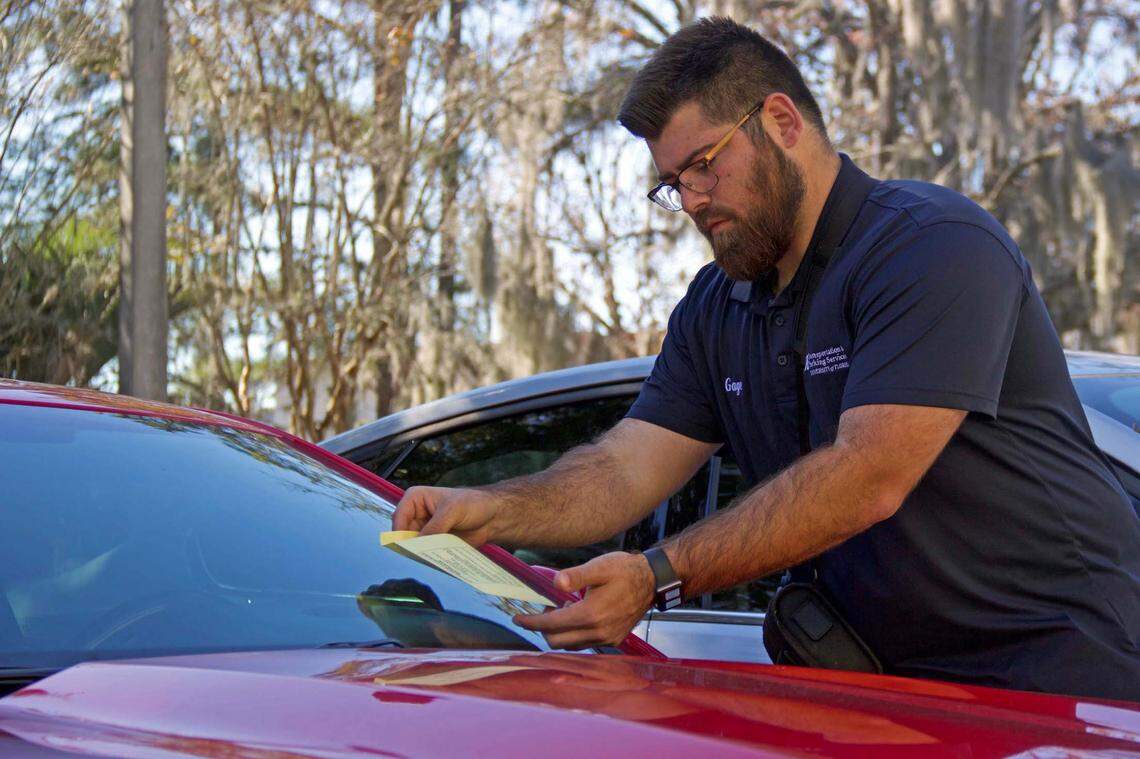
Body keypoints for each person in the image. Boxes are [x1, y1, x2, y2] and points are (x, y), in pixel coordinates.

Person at [395, 17, 1140, 700]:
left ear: (782, 121)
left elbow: (868, 475)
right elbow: (626, 467)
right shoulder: (716, 307)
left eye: (703, 166)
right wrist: (498, 509)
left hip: (1069, 684)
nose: (689, 201)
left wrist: (657, 575)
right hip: (886, 697)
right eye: (671, 184)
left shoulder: (932, 246)